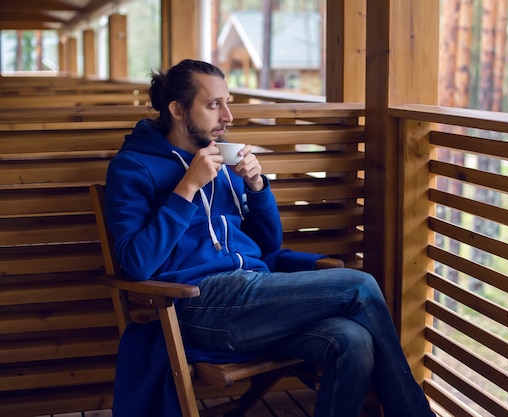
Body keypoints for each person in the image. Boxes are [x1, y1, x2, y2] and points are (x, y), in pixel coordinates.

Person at [104, 58, 435, 417]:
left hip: (254, 295)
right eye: (214, 105)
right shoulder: (134, 167)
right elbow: (135, 263)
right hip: (197, 304)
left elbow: (268, 246)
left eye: (227, 102)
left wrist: (257, 187)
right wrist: (187, 187)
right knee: (359, 286)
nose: (228, 116)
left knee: (351, 340)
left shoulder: (223, 162)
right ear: (178, 110)